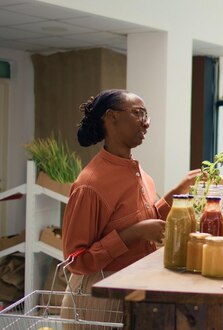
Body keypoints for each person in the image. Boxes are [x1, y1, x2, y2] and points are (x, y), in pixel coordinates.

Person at [60, 89, 199, 324]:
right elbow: (75, 260)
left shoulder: (137, 172)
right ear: (111, 116)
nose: (146, 123)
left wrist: (179, 191)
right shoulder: (90, 184)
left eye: (147, 116)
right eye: (138, 113)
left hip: (130, 285)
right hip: (98, 296)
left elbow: (146, 220)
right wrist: (135, 234)